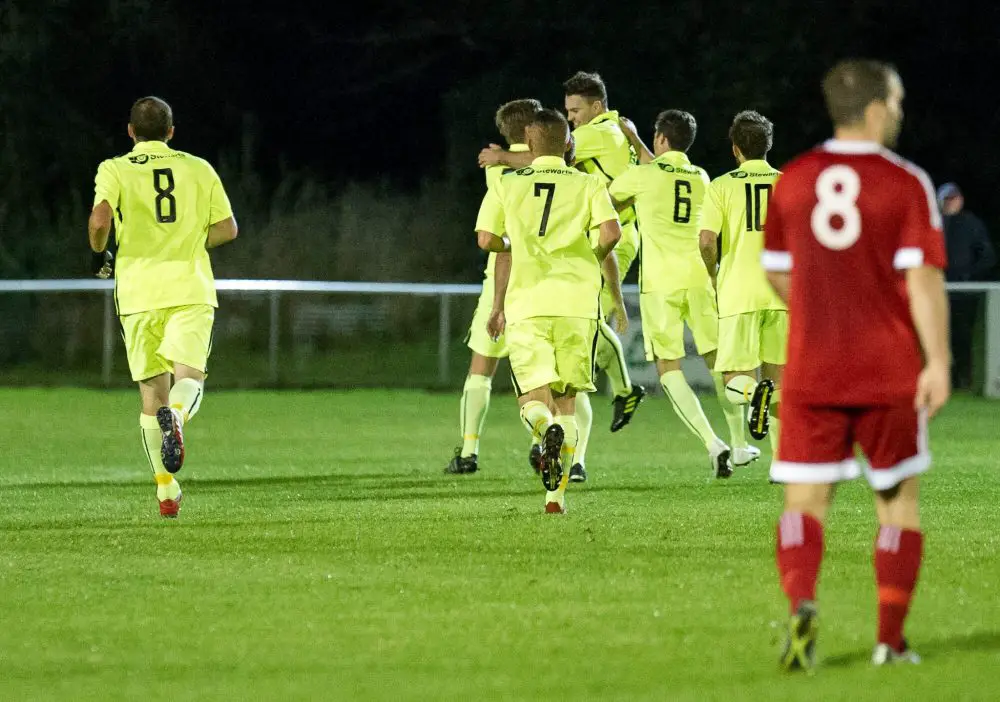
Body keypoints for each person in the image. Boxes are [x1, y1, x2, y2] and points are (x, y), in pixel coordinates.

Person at [761, 59, 950, 671]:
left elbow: (775, 269)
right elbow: (922, 280)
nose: (898, 112)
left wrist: (817, 314)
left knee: (805, 504)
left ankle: (801, 604)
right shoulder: (905, 182)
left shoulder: (792, 179)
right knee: (896, 503)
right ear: (873, 108)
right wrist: (939, 360)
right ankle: (889, 642)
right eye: (894, 102)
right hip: (887, 367)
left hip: (812, 368)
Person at [479, 72, 646, 483]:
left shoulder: (509, 182)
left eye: (575, 112)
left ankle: (545, 433)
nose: (573, 123)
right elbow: (610, 233)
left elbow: (487, 241)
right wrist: (592, 263)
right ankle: (565, 481)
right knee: (569, 396)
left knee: (533, 399)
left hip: (529, 302)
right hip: (577, 301)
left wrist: (507, 257)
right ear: (566, 142)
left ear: (530, 143)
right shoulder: (588, 182)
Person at [88, 96, 238, 518]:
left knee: (152, 395)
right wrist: (187, 241)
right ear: (172, 132)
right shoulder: (198, 167)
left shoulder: (114, 168)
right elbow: (227, 228)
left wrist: (100, 253)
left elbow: (100, 222)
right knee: (189, 378)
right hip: (189, 287)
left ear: (131, 132)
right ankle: (179, 417)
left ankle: (167, 491)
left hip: (137, 293)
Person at [608, 110, 755, 479]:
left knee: (668, 367)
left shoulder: (641, 176)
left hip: (661, 283)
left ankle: (713, 443)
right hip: (701, 278)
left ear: (660, 139)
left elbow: (610, 203)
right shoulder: (701, 176)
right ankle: (739, 443)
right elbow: (662, 173)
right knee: (721, 363)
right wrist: (638, 141)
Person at [447, 98, 542, 475]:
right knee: (539, 372)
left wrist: (501, 154)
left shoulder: (497, 167)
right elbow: (542, 161)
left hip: (501, 271)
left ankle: (469, 452)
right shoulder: (555, 165)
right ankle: (541, 442)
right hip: (539, 276)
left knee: (481, 367)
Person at [698, 111, 785, 460]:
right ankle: (783, 464)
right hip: (781, 292)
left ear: (735, 149)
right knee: (778, 382)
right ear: (768, 146)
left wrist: (713, 270)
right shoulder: (789, 183)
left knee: (736, 383)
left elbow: (706, 241)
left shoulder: (721, 186)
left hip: (739, 291)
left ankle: (754, 396)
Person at [937, 182, 996, 388]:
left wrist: (969, 276)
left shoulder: (972, 224)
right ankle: (945, 379)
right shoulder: (934, 223)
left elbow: (987, 257)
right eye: (947, 199)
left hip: (965, 294)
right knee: (940, 337)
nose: (951, 202)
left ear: (961, 199)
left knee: (963, 337)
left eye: (954, 198)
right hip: (938, 293)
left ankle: (964, 379)